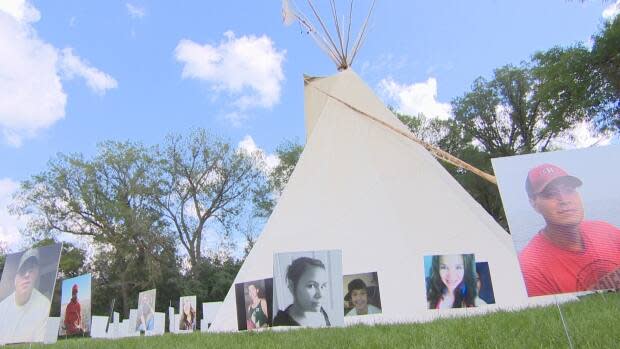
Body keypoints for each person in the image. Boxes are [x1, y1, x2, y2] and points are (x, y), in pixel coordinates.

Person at [519, 163, 620, 296]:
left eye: (569, 190)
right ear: (534, 203)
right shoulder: (530, 268)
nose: (564, 200)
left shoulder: (606, 231)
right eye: (550, 194)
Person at [0, 248, 52, 344]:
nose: (27, 274)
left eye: (31, 270)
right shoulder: (2, 308)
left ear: (36, 275)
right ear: (15, 278)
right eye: (23, 269)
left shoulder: (44, 305)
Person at [273, 257, 331, 327]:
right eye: (311, 286)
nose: (320, 295)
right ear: (292, 286)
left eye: (323, 286)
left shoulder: (321, 311)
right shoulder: (281, 324)